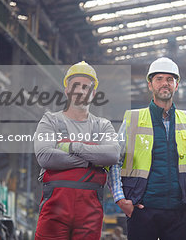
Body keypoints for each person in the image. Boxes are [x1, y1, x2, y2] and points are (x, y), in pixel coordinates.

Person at [108, 57, 186, 240]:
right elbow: (114, 161)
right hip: (142, 210)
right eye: (159, 79)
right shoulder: (133, 118)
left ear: (176, 85)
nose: (165, 83)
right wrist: (120, 198)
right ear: (150, 84)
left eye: (170, 79)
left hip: (179, 212)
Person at [34, 61, 121, 240]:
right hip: (55, 210)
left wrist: (72, 147)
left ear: (93, 93)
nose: (80, 91)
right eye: (76, 86)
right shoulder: (50, 120)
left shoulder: (102, 125)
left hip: (90, 212)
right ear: (67, 90)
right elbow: (45, 156)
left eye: (86, 87)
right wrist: (94, 158)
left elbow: (112, 154)